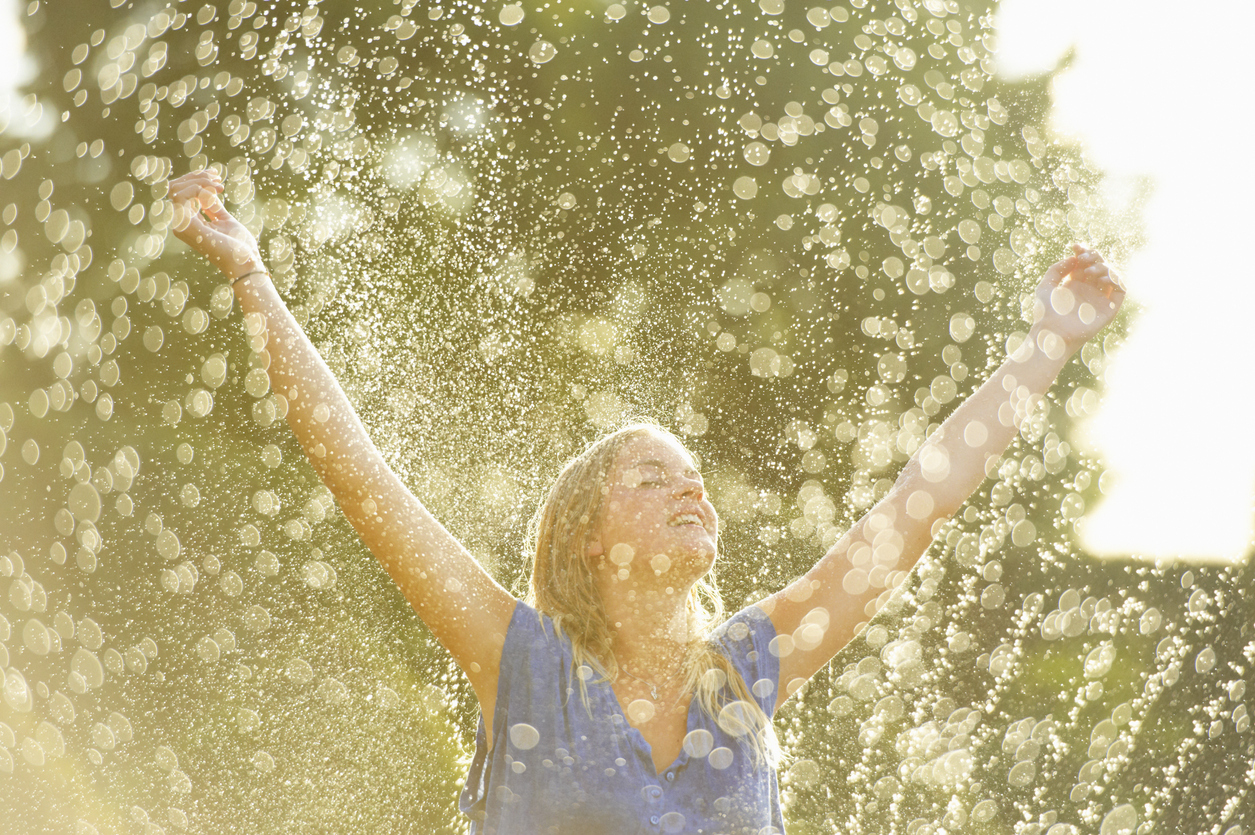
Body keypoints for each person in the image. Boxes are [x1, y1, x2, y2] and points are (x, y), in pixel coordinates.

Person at [167, 168, 1125, 834]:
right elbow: (362, 475)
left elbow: (916, 506)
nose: (689, 484)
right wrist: (253, 278)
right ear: (586, 535)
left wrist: (1045, 345)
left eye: (692, 471)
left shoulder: (748, 670)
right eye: (651, 474)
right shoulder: (523, 667)